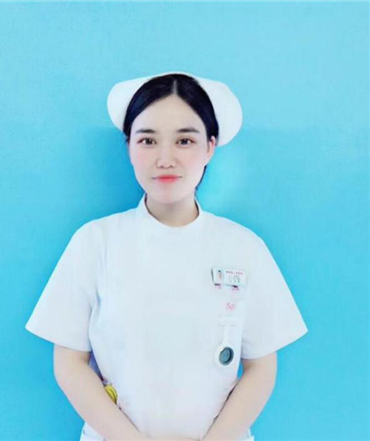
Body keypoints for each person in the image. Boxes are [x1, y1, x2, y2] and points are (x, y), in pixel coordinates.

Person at [25, 71, 309, 441]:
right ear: (129, 147)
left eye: (184, 140)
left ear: (210, 147)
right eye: (148, 140)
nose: (165, 158)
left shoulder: (244, 247)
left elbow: (261, 367)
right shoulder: (95, 242)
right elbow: (69, 363)